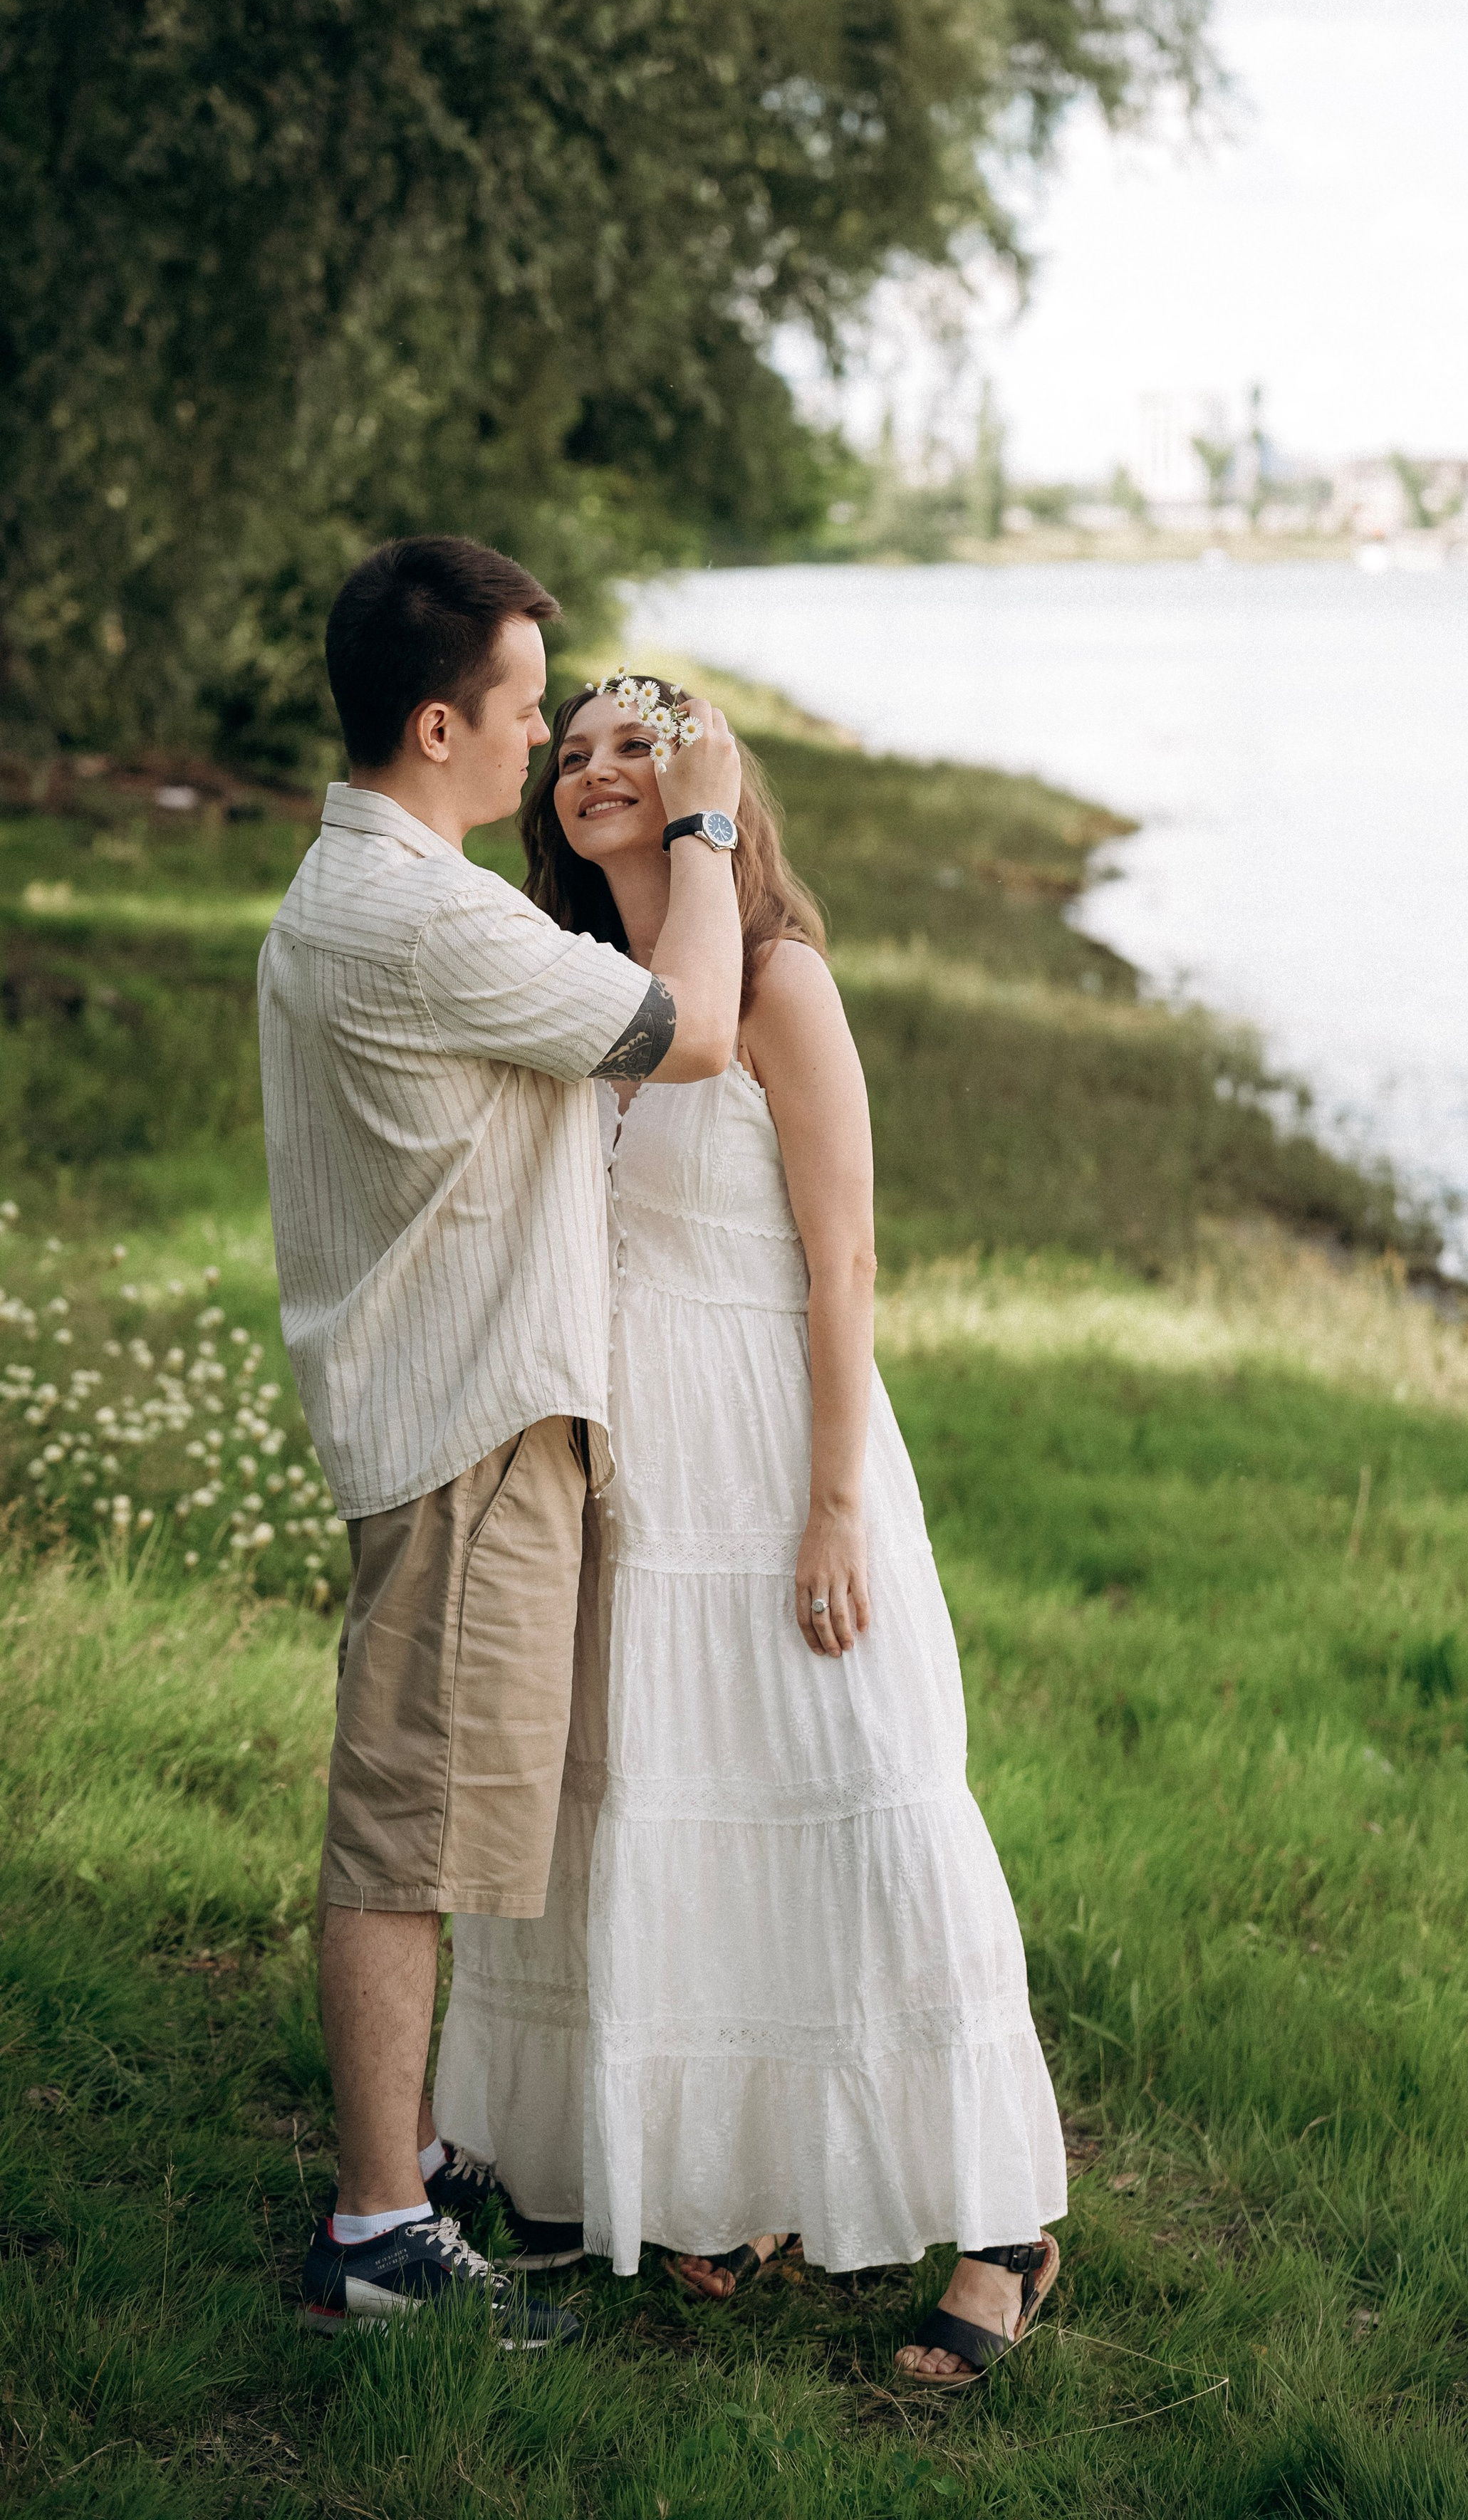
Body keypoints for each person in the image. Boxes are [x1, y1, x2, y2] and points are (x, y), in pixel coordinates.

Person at [435, 676, 1067, 2385]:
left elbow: (841, 1258)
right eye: (571, 752)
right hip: (628, 1465)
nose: (592, 770)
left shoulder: (781, 977)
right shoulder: (588, 985)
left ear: (705, 778)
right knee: (672, 1805)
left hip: (777, 1450)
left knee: (855, 1798)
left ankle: (1004, 2223)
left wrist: (834, 1507)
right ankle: (736, 2178)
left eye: (633, 746)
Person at [258, 542, 745, 2341]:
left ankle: (410, 2161)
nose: (546, 739)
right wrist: (704, 823)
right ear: (439, 726)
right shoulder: (426, 918)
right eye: (529, 710)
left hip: (443, 1406)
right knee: (409, 1832)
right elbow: (688, 1033)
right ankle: (380, 2233)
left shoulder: (373, 891)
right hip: (466, 1421)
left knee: (430, 1809)